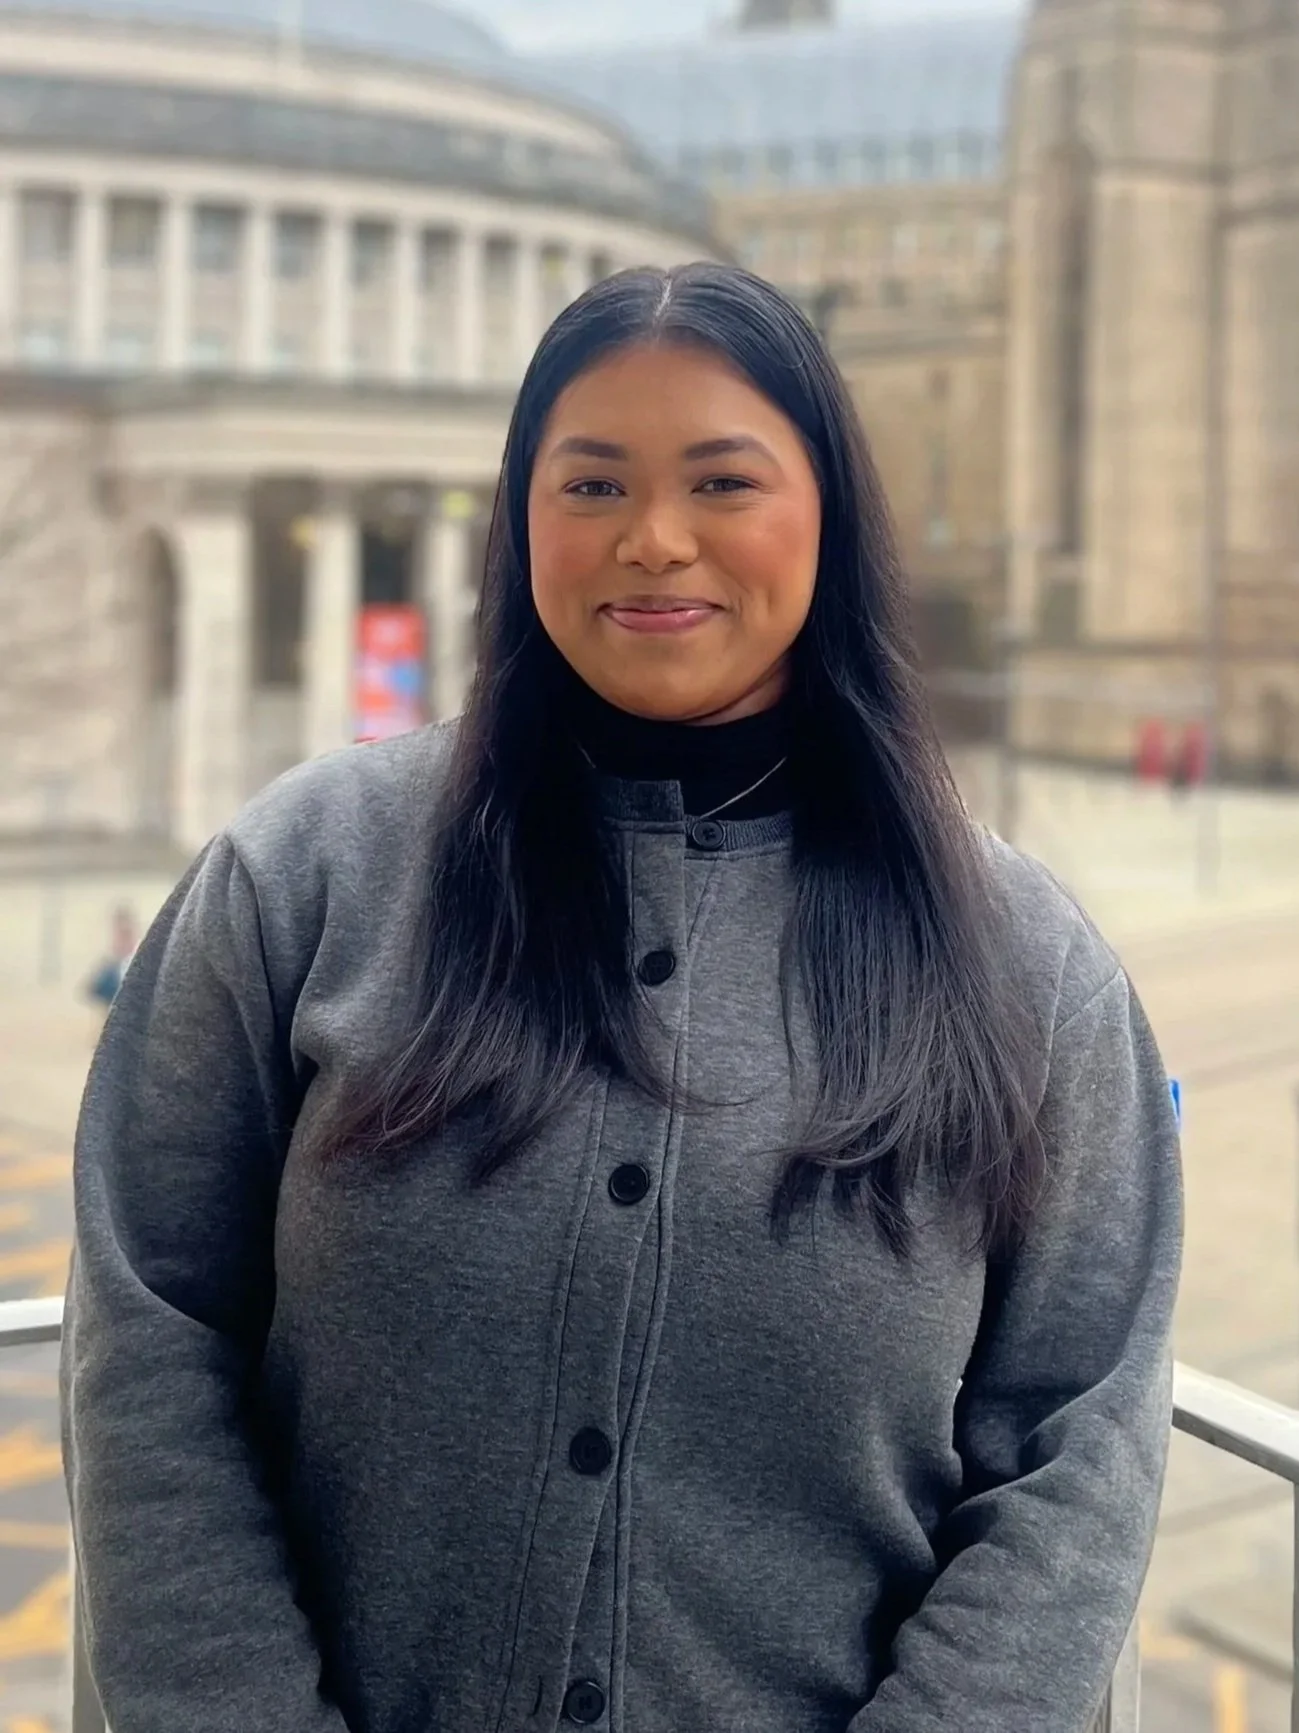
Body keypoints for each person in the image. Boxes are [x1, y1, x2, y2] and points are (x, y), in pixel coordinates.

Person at [60, 263, 1183, 1733]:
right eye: (590, 486)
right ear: (518, 518)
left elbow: (1074, 1444)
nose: (653, 542)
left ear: (827, 518)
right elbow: (151, 1344)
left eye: (722, 481)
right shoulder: (302, 874)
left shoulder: (1026, 962)